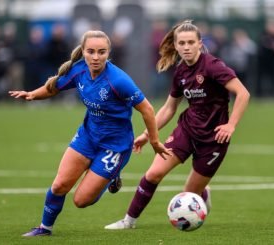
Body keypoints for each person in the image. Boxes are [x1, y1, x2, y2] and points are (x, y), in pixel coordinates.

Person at [8, 30, 170, 236]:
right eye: (91, 51)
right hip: (87, 136)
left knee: (81, 201)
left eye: (101, 52)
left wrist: (154, 141)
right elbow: (53, 88)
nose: (95, 57)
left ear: (108, 52)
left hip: (115, 145)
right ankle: (44, 228)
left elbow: (147, 109)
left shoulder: (118, 80)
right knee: (59, 185)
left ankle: (111, 176)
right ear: (83, 51)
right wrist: (32, 94)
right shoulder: (79, 71)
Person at [104, 19, 250, 230]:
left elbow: (243, 93)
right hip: (187, 130)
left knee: (189, 196)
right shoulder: (181, 72)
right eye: (182, 43)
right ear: (176, 45)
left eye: (191, 42)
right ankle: (129, 221)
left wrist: (231, 125)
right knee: (153, 173)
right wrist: (147, 134)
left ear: (200, 43)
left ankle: (203, 192)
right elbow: (169, 108)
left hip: (214, 140)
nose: (186, 47)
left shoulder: (212, 66)